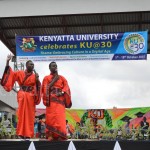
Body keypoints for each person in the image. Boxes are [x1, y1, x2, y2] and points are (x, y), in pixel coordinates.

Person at [1, 54, 41, 139]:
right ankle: (20, 133)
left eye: (33, 64)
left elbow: (38, 87)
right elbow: (10, 74)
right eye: (30, 64)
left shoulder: (35, 76)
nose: (32, 65)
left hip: (30, 96)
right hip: (22, 94)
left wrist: (37, 81)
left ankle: (28, 134)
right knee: (21, 113)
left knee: (30, 115)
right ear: (26, 65)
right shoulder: (20, 73)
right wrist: (7, 61)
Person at [42, 61, 72, 141]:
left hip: (60, 100)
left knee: (60, 118)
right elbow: (45, 89)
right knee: (51, 117)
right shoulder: (46, 78)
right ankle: (50, 134)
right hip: (51, 100)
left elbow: (66, 87)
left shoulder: (62, 78)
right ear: (49, 68)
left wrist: (62, 92)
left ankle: (60, 135)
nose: (54, 67)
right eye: (53, 66)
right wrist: (53, 81)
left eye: (55, 66)